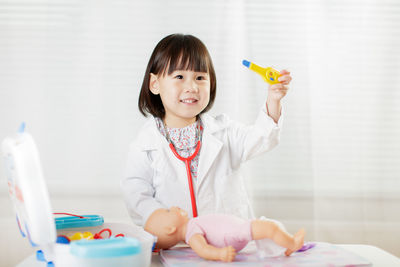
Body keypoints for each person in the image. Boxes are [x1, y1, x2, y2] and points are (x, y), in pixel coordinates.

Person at [121, 33, 292, 226]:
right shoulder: (145, 145)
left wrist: (274, 99)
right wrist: (159, 219)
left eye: (200, 77)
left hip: (228, 245)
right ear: (155, 84)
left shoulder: (224, 132)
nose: (192, 86)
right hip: (176, 246)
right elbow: (136, 193)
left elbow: (262, 138)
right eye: (179, 76)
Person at [145, 206, 305, 262]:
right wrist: (219, 254)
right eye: (167, 211)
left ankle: (285, 248)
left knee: (267, 229)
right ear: (170, 229)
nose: (172, 207)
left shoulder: (191, 226)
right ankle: (292, 243)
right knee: (270, 228)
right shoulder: (191, 233)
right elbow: (202, 250)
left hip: (237, 229)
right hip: (233, 234)